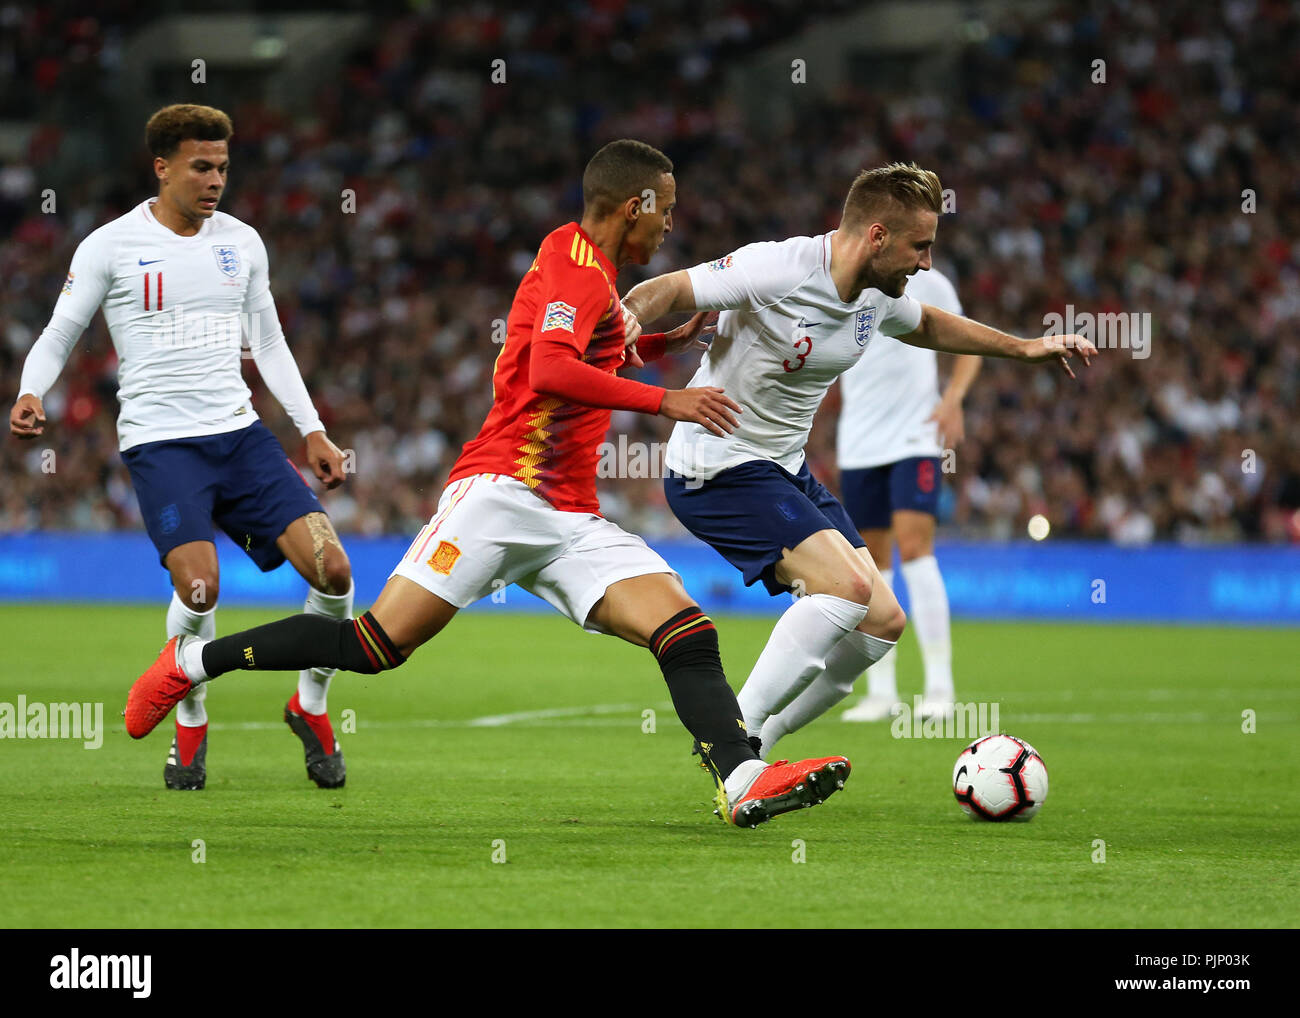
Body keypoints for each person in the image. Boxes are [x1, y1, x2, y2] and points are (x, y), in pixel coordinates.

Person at [126, 139, 852, 828]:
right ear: (634, 203)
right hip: (501, 495)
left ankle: (740, 780)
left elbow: (584, 355)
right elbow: (549, 369)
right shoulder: (574, 261)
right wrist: (669, 399)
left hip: (568, 517)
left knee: (685, 629)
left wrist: (659, 344)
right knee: (376, 646)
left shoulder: (589, 271)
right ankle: (192, 660)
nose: (669, 225)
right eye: (666, 207)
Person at [620, 162, 1094, 758]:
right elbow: (669, 288)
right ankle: (731, 744)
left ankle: (760, 739)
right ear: (876, 236)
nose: (925, 263)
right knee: (843, 588)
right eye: (919, 247)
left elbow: (930, 326)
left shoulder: (878, 296)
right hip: (716, 466)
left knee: (882, 620)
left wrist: (1024, 348)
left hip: (782, 469)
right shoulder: (780, 269)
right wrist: (625, 319)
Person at [10, 104, 355, 791]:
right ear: (161, 168)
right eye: (201, 166)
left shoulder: (243, 244)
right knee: (200, 587)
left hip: (241, 437)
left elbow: (271, 343)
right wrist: (30, 392)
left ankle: (310, 704)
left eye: (223, 167)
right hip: (163, 445)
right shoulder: (108, 246)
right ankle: (191, 717)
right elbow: (59, 331)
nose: (215, 180)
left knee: (336, 573)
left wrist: (311, 427)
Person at [837, 265, 977, 722]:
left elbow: (970, 340)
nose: (925, 257)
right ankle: (882, 691)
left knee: (916, 551)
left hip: (916, 439)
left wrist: (953, 397)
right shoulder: (839, 280)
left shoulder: (931, 283)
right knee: (871, 564)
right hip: (858, 442)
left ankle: (940, 686)